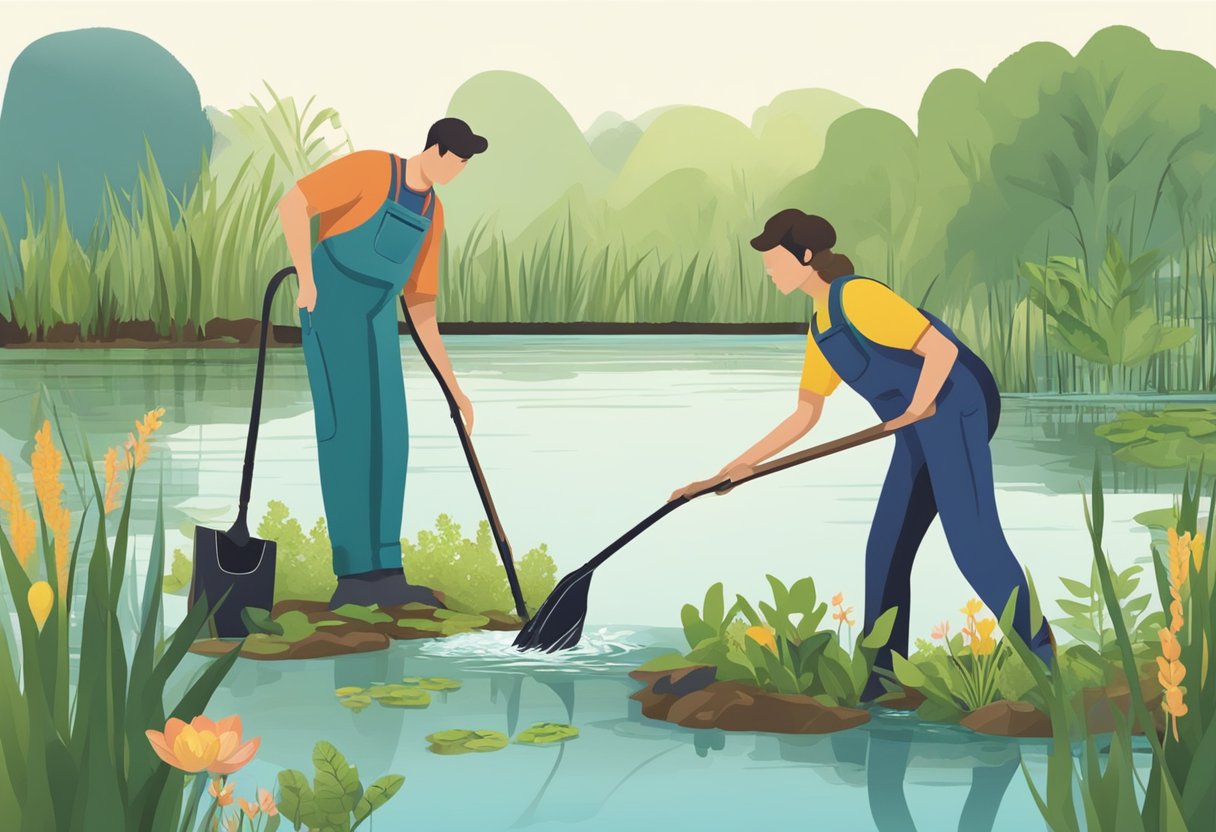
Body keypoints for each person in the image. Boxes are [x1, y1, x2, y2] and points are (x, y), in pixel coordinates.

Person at [670, 208, 1054, 700]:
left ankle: (1048, 664)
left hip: (956, 406)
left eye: (774, 259)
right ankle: (884, 683)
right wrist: (730, 472)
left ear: (806, 256)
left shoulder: (859, 297)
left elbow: (940, 350)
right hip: (916, 428)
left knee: (972, 545)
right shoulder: (821, 330)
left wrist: (918, 406)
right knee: (886, 549)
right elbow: (805, 415)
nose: (768, 270)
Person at [277, 117, 488, 610]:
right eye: (458, 159)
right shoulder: (373, 171)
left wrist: (453, 389)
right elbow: (294, 203)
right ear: (436, 151)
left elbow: (421, 307)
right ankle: (353, 577)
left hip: (376, 326)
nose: (459, 169)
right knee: (347, 437)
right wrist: (305, 281)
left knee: (391, 436)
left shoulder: (433, 213)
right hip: (329, 312)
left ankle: (386, 572)